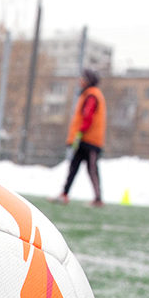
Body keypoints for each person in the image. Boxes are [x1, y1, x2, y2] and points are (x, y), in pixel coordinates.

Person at [55, 68, 107, 207]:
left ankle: (98, 198)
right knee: (74, 167)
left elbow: (87, 116)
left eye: (83, 78)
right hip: (84, 139)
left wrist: (80, 133)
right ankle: (64, 193)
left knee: (92, 169)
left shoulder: (92, 95)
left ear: (88, 81)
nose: (80, 81)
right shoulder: (87, 94)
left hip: (90, 140)